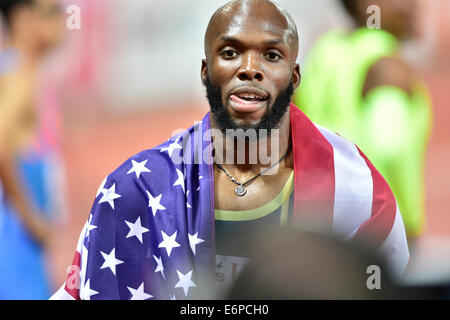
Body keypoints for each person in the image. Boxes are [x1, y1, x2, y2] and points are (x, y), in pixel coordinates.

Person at [51, 0, 409, 300]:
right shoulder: (136, 191)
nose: (249, 69)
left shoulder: (357, 188)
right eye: (230, 52)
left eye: (271, 55)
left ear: (295, 76)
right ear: (206, 72)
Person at [294, 0, 432, 239]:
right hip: (379, 229)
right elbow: (390, 147)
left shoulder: (324, 51)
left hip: (319, 221)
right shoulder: (387, 66)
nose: (415, 5)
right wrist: (405, 223)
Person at [0, 0, 65, 299]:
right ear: (24, 20)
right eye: (53, 12)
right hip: (14, 242)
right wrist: (32, 220)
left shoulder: (19, 71)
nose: (64, 21)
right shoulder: (16, 76)